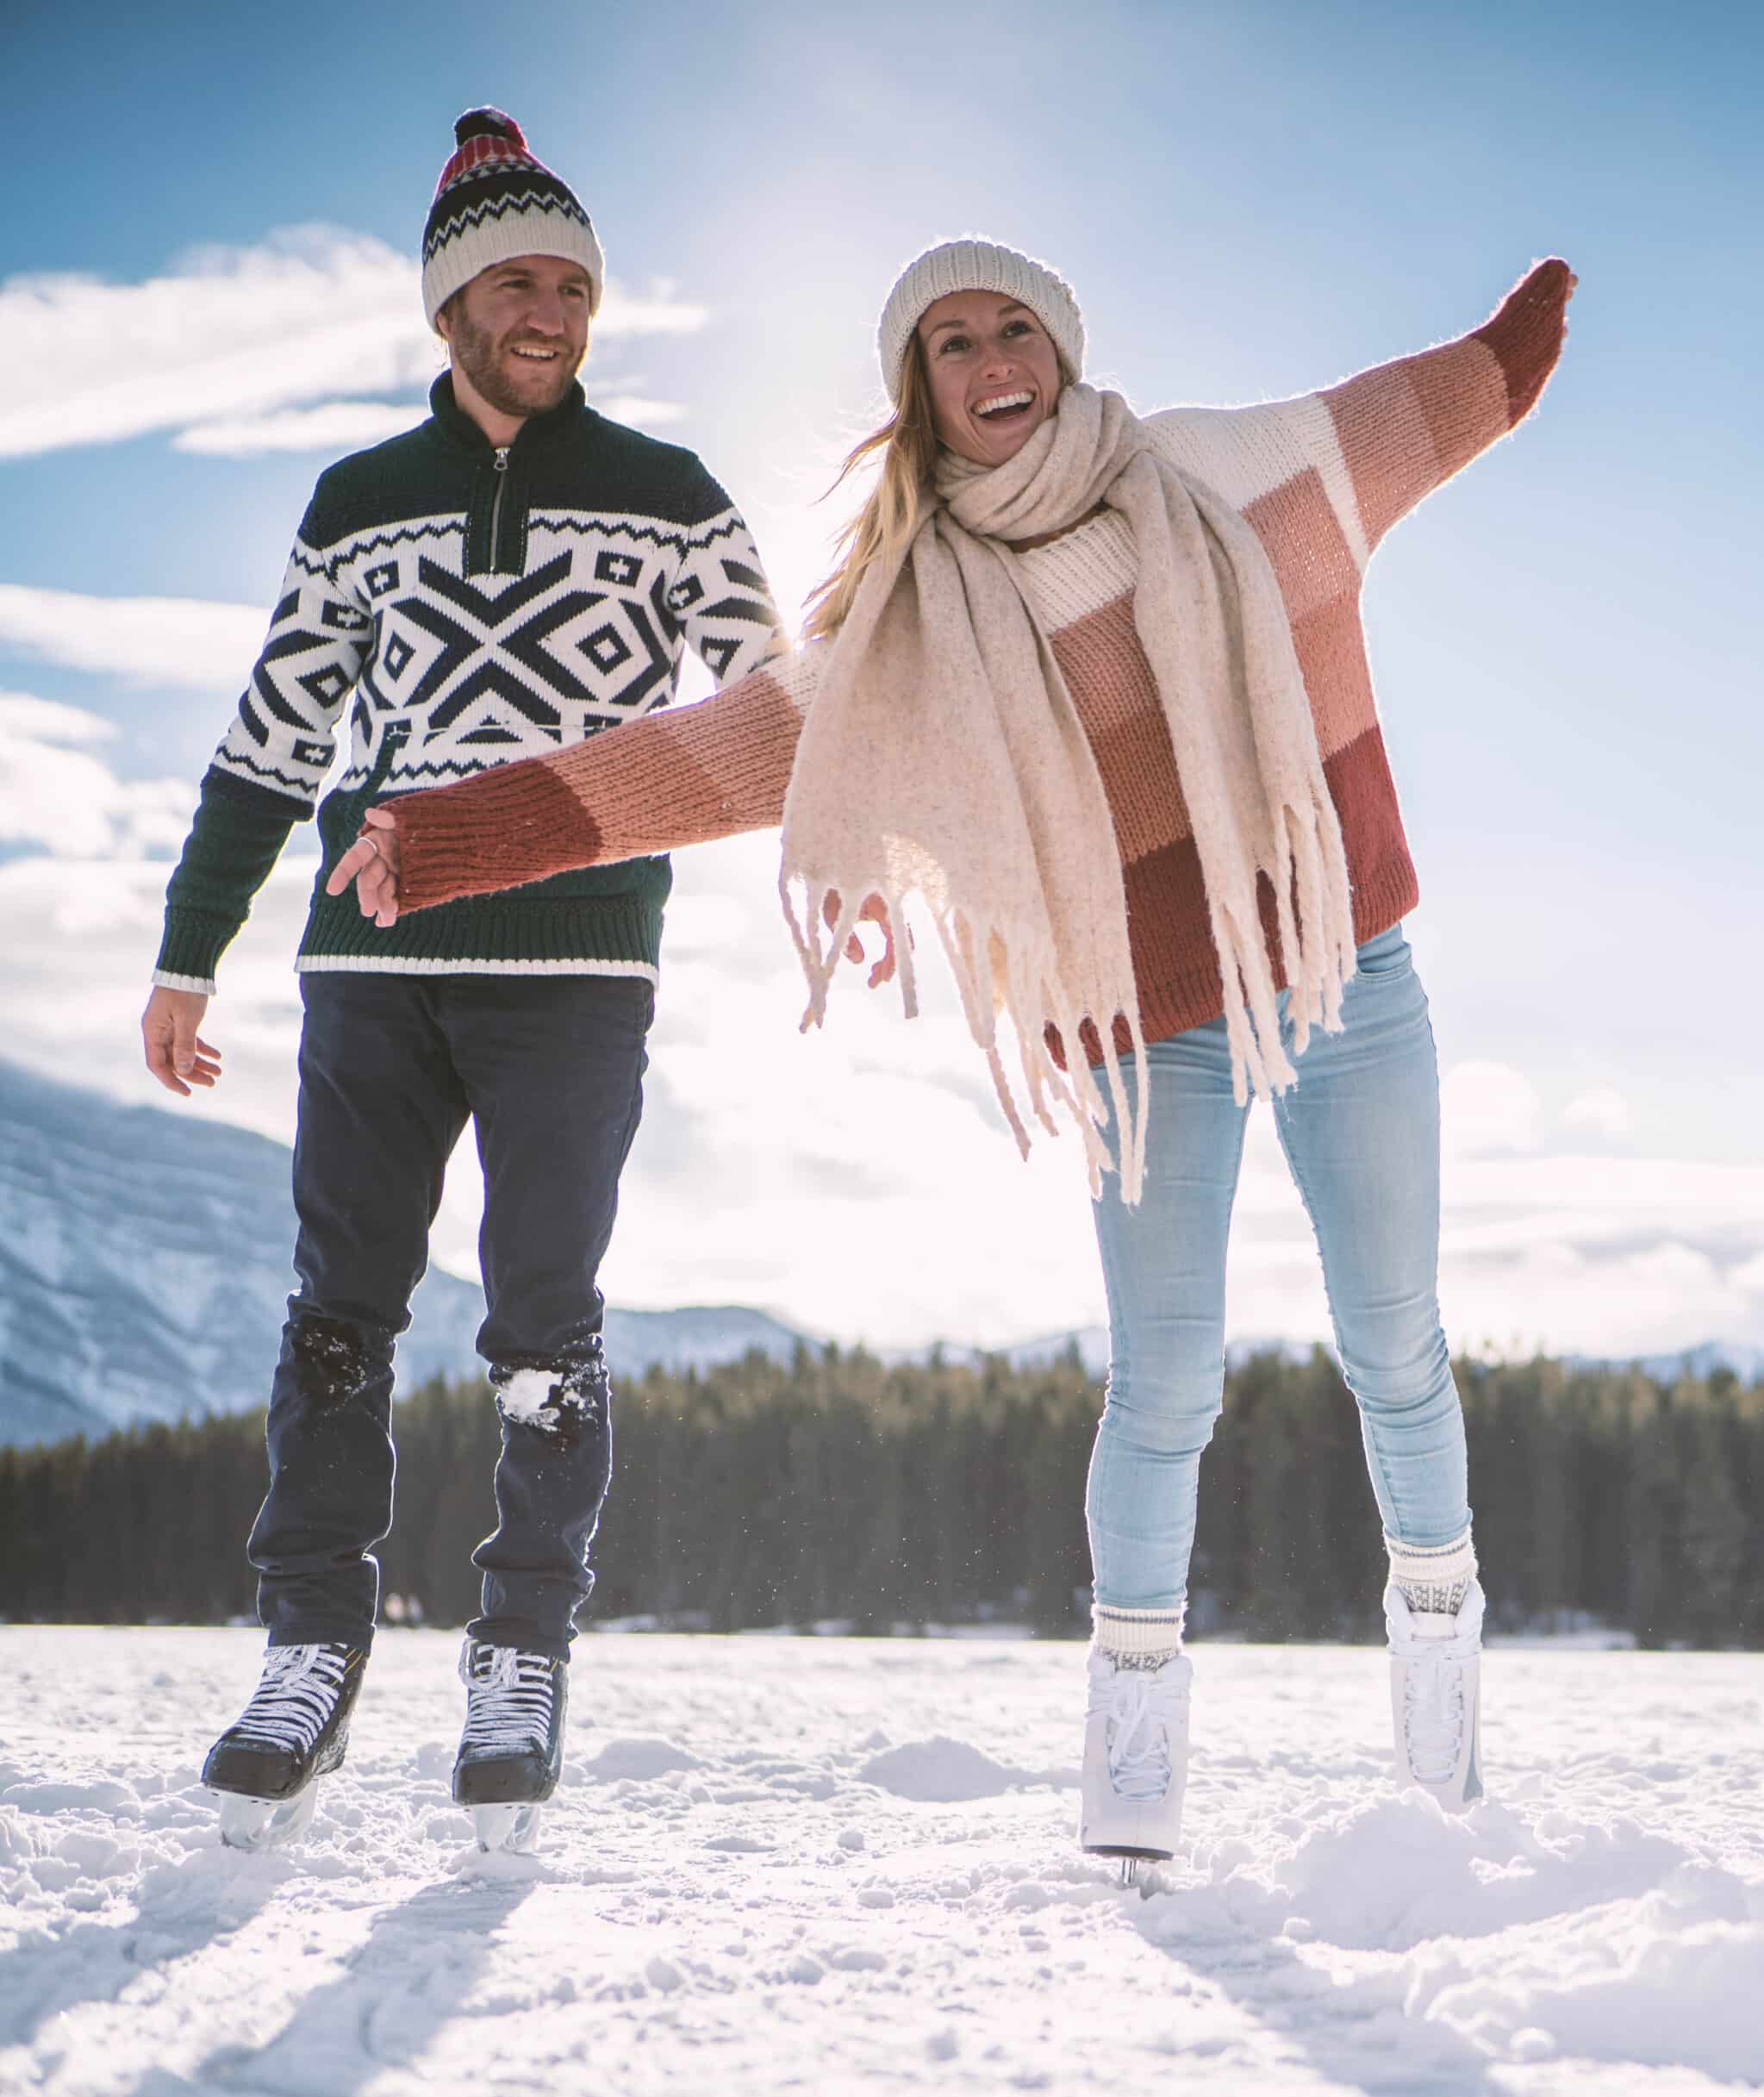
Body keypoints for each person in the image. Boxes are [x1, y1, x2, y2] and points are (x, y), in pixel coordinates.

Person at [330, 236, 1575, 1863]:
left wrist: (1516, 346)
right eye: (950, 344)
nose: (992, 360)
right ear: (915, 389)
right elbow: (693, 762)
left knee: (1394, 1343)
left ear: (1060, 344)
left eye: (1014, 328)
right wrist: (449, 839)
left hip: (1337, 956)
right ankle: (1135, 1720)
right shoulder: (906, 635)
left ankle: (1436, 1655)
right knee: (1167, 1379)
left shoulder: (1226, 473)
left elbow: (1412, 413)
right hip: (1139, 1023)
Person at [140, 109, 784, 1850]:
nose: (551, 307)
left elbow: (779, 716)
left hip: (579, 962)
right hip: (370, 962)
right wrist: (190, 948)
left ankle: (518, 1653)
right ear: (448, 306)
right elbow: (271, 742)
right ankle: (311, 1648)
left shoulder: (670, 494)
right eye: (517, 279)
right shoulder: (356, 503)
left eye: (573, 282)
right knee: (340, 1309)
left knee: (541, 1321)